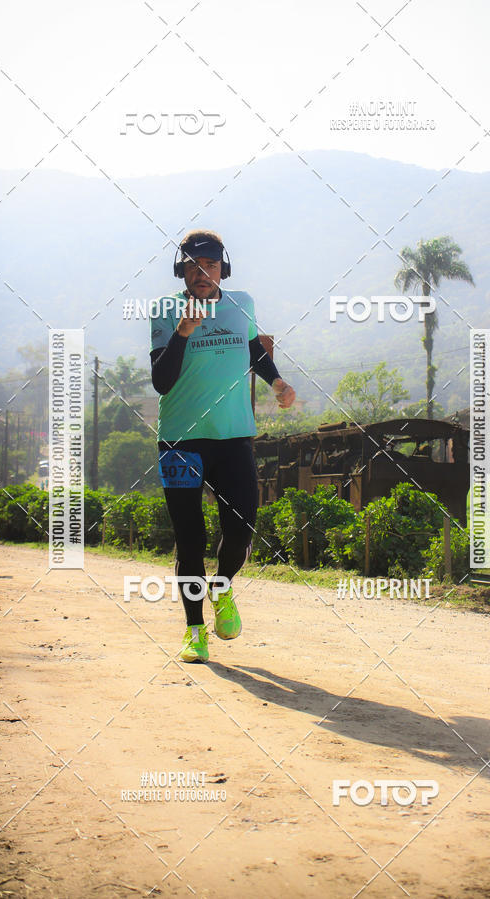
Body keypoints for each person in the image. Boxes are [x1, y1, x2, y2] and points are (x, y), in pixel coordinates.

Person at [150, 229, 296, 662]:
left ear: (222, 269)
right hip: (180, 440)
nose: (202, 274)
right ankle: (195, 630)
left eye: (210, 266)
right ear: (182, 270)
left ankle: (222, 586)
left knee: (242, 528)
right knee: (189, 539)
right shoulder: (164, 310)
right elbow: (161, 382)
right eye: (193, 267)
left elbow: (252, 348)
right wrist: (181, 333)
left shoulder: (241, 305)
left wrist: (277, 380)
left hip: (233, 436)